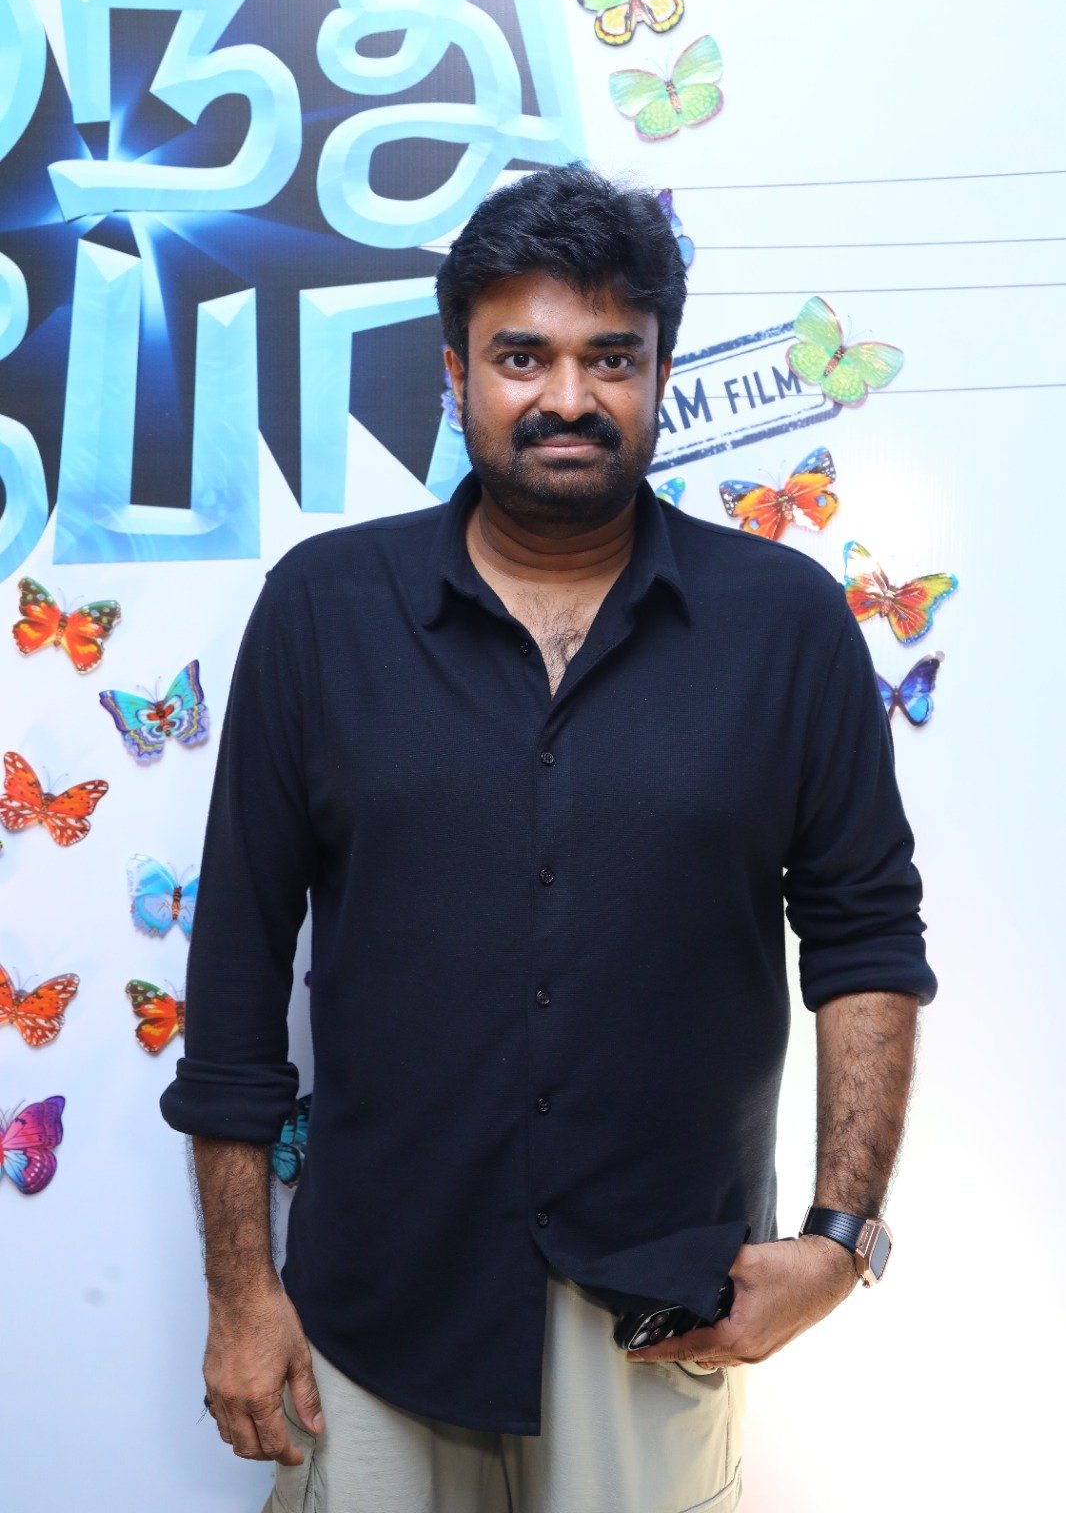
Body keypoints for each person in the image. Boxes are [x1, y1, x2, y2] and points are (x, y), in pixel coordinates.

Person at [161, 164, 936, 1513]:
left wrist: (837, 1238)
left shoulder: (786, 623)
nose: (567, 397)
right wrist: (241, 1294)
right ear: (454, 375)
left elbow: (865, 938)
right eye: (522, 356)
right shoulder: (322, 612)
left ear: (660, 374)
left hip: (662, 1306)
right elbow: (235, 974)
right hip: (372, 1309)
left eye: (610, 358)